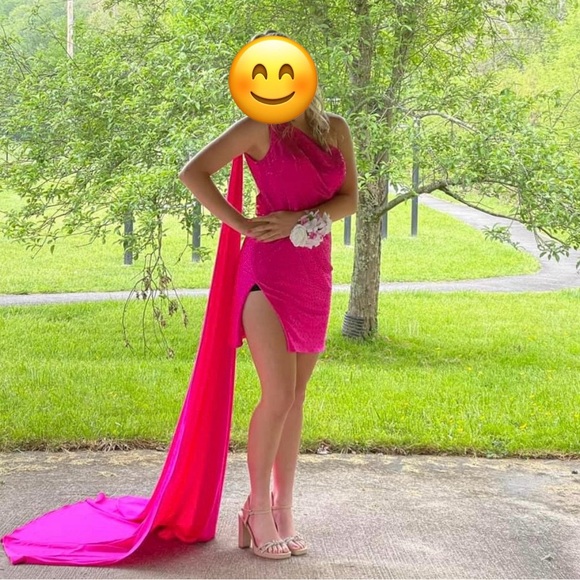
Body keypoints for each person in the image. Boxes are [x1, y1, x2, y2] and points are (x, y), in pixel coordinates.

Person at [178, 31, 358, 561]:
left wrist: (304, 219)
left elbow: (349, 199)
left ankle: (283, 509)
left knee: (296, 398)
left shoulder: (335, 128)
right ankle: (257, 511)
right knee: (278, 394)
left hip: (314, 273)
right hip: (265, 273)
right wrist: (241, 225)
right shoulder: (257, 127)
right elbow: (192, 173)